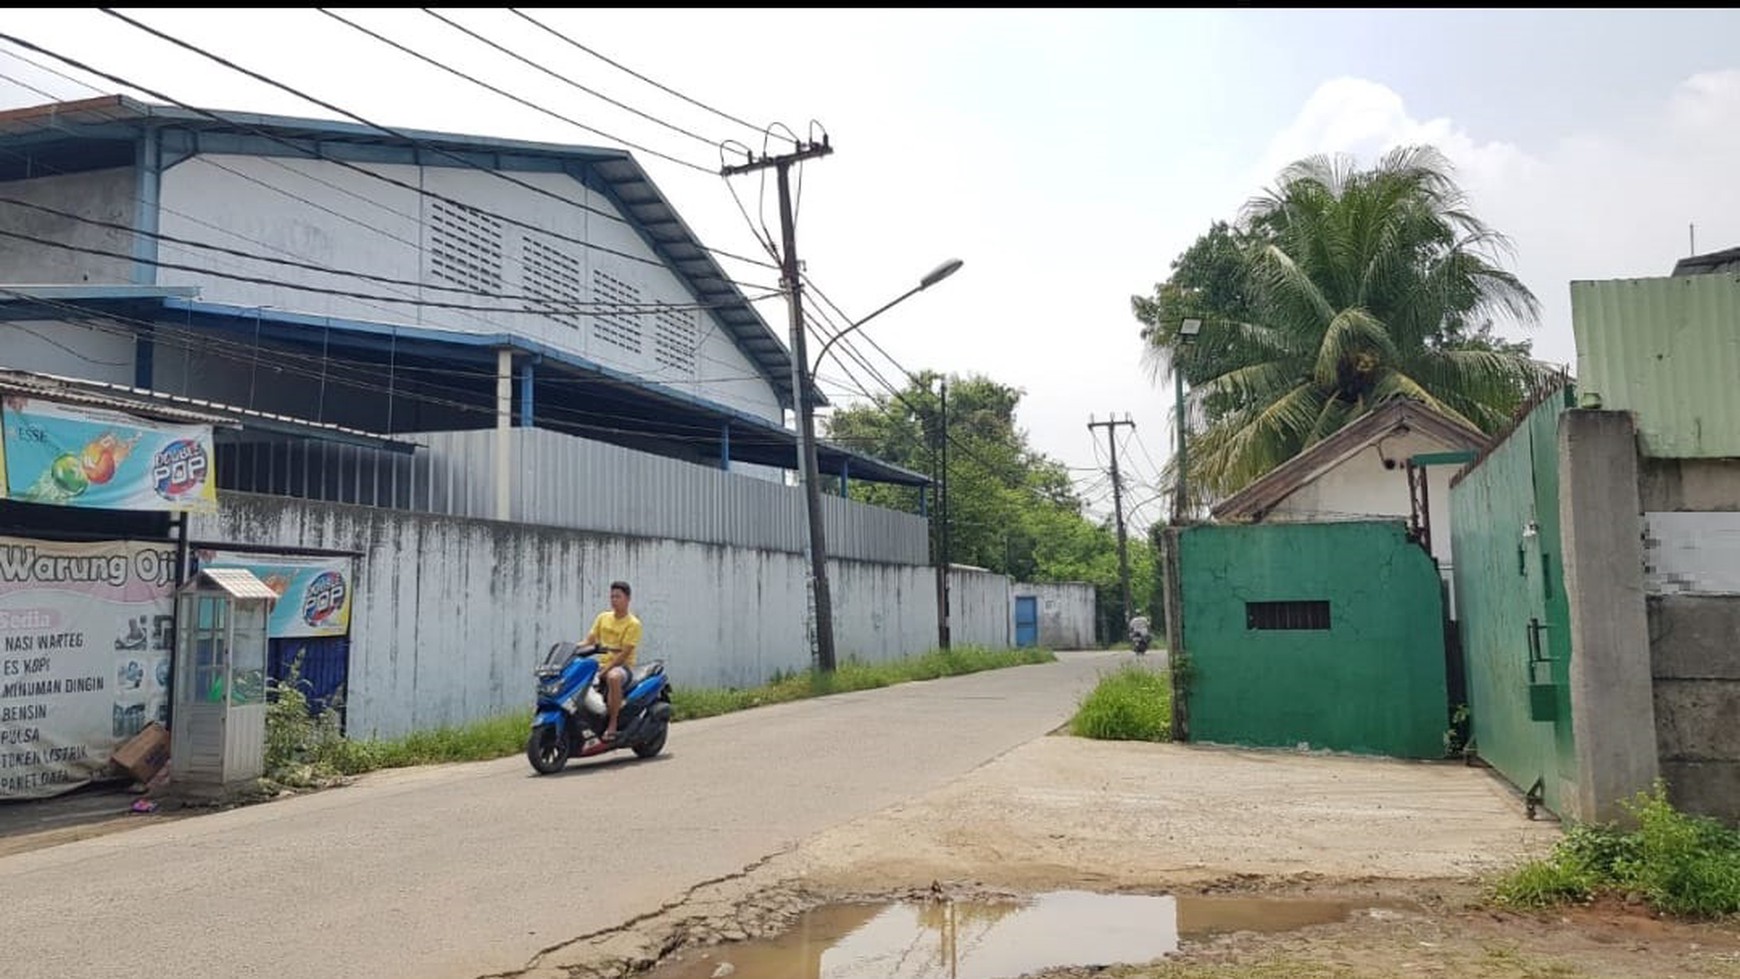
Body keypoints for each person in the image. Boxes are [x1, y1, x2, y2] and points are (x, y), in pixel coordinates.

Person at [580, 580, 642, 743]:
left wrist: (605, 671)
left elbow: (623, 654)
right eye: (612, 596)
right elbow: (589, 640)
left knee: (613, 677)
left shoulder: (633, 624)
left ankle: (613, 724)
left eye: (618, 597)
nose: (614, 600)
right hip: (601, 665)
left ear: (628, 599)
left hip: (623, 667)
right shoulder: (603, 617)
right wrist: (572, 650)